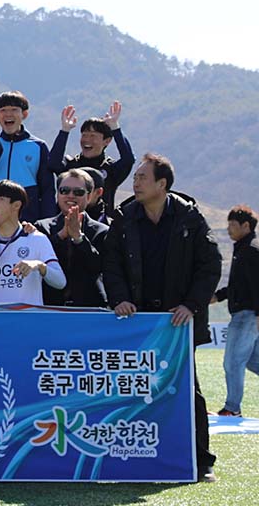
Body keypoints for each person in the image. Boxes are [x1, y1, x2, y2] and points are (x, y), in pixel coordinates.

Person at [102, 153, 220, 481]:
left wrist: (191, 305)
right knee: (134, 388)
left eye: (142, 177)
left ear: (162, 184)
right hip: (137, 322)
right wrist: (120, 299)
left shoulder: (190, 218)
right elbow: (111, 263)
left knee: (187, 389)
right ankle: (131, 457)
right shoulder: (125, 218)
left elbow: (210, 265)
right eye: (135, 177)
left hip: (177, 322)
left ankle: (202, 461)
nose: (135, 183)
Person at [0, 180, 64, 306]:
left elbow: (60, 282)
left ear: (16, 205)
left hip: (29, 318)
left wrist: (39, 265)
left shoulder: (37, 239)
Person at [0, 91, 56, 222]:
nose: (8, 114)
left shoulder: (38, 147)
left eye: (14, 109)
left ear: (24, 114)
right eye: (3, 110)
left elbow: (47, 190)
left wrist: (47, 223)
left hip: (27, 220)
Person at [48, 102, 134, 218]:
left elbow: (128, 159)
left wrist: (115, 128)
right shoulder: (71, 166)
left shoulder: (110, 169)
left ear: (107, 141)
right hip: (68, 220)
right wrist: (65, 130)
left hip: (101, 222)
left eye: (93, 136)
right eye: (84, 135)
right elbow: (53, 163)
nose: (87, 140)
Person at [36, 169, 108, 307]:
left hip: (89, 308)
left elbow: (99, 267)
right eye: (64, 191)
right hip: (49, 305)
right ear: (57, 194)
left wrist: (78, 238)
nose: (70, 196)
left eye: (78, 192)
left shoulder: (102, 231)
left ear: (89, 196)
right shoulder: (41, 227)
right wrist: (60, 236)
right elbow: (39, 262)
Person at [214, 205, 259, 417]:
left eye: (232, 225)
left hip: (247, 315)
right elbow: (239, 285)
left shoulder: (251, 250)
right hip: (246, 314)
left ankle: (232, 409)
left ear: (246, 226)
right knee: (251, 360)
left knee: (233, 361)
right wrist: (217, 296)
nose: (228, 229)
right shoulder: (243, 249)